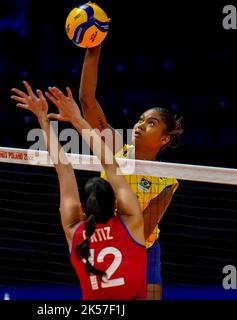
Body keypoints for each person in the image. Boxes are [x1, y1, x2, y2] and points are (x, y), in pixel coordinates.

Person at [11, 81, 147, 300]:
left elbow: (63, 169)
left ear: (83, 208)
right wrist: (77, 118)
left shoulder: (75, 232)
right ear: (115, 204)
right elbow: (110, 164)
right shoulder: (131, 223)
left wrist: (43, 121)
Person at [79, 45, 184, 300]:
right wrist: (93, 51)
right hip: (105, 241)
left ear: (165, 139)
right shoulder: (115, 147)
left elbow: (143, 231)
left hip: (144, 251)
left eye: (151, 123)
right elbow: (87, 101)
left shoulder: (167, 182)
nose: (140, 125)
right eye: (140, 119)